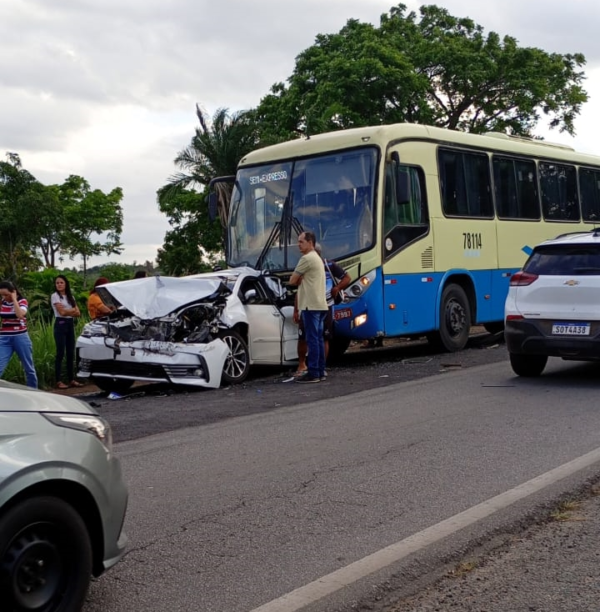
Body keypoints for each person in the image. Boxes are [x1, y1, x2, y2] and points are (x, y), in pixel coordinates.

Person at [294, 243, 351, 376]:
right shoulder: (305, 266)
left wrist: (337, 288)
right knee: (304, 336)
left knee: (323, 337)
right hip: (307, 305)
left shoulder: (329, 265)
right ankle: (302, 365)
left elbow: (347, 278)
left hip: (326, 305)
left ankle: (320, 367)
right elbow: (299, 288)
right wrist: (296, 308)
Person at [288, 231, 328, 383]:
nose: (298, 245)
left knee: (312, 339)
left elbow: (292, 280)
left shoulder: (306, 259)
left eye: (301, 242)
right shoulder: (317, 258)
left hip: (310, 305)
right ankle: (320, 370)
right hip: (320, 304)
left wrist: (299, 278)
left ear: (310, 242)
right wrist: (301, 278)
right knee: (318, 339)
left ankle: (313, 372)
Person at [0, 280, 38, 388]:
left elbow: (20, 314)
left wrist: (14, 299)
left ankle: (33, 390)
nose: (4, 297)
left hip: (20, 337)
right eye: (2, 295)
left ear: (13, 292)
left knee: (28, 368)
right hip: (4, 338)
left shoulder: (22, 301)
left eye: (6, 294)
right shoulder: (2, 303)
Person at [51, 275, 82, 389]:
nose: (59, 284)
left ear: (66, 284)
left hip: (70, 324)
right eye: (57, 283)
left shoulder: (70, 297)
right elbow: (62, 313)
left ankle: (71, 379)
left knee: (70, 352)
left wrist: (69, 311)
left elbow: (78, 313)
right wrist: (72, 310)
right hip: (60, 324)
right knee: (60, 352)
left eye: (61, 282)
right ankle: (58, 380)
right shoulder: (55, 296)